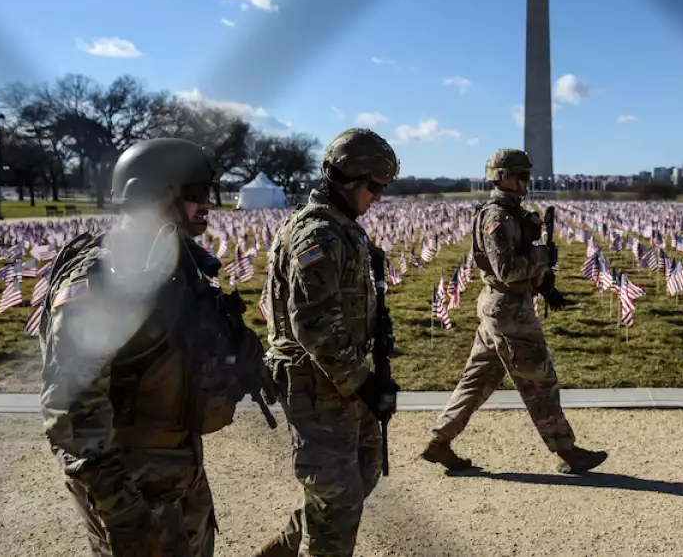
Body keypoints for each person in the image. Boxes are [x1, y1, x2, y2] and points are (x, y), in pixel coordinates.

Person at [39, 137, 268, 556]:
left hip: (177, 469)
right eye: (196, 193)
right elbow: (71, 409)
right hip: (131, 487)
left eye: (209, 192)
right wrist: (122, 510)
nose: (208, 204)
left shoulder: (176, 263)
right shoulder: (105, 280)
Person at [256, 128, 401, 557]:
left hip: (342, 376)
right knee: (336, 498)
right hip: (315, 381)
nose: (378, 197)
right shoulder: (318, 234)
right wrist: (364, 383)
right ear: (348, 180)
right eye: (374, 187)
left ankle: (284, 548)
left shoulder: (342, 228)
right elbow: (313, 322)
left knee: (363, 470)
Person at [422, 148, 608, 474]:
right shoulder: (497, 218)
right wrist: (543, 257)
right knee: (540, 381)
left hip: (502, 308)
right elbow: (507, 270)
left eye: (527, 175)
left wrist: (545, 286)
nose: (526, 181)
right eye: (521, 175)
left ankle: (440, 441)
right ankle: (566, 451)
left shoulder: (511, 213)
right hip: (510, 310)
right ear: (502, 177)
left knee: (477, 380)